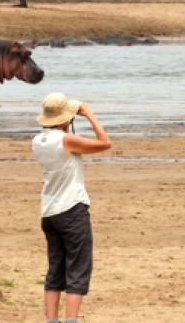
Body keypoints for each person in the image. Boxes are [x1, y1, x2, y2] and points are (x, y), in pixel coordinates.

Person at [32, 93, 112, 323]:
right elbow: (104, 142)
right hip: (71, 209)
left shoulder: (38, 141)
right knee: (78, 266)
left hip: (49, 210)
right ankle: (71, 319)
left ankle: (51, 319)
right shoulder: (66, 141)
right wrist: (89, 115)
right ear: (64, 119)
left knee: (55, 266)